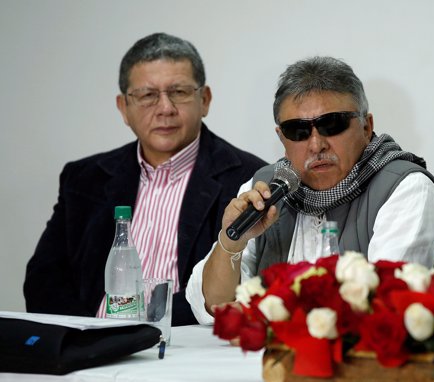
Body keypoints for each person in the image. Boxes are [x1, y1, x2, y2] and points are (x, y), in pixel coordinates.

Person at [23, 33, 266, 325]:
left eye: (178, 92)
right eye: (147, 95)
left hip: (187, 350)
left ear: (205, 100)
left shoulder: (249, 179)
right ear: (123, 108)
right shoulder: (84, 178)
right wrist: (91, 338)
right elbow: (44, 279)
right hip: (90, 350)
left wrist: (148, 332)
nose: (165, 108)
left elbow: (243, 289)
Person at [186, 56, 434, 324]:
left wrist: (261, 313)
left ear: (367, 126)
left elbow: (387, 310)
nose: (316, 144)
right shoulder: (266, 188)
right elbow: (211, 307)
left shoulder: (405, 189)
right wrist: (232, 241)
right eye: (298, 130)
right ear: (281, 138)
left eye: (332, 125)